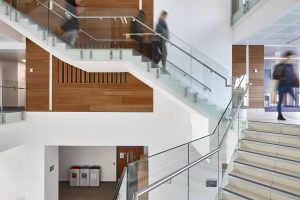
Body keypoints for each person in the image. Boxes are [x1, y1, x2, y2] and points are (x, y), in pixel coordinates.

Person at [273, 51, 298, 120]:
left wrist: (296, 82)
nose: (291, 59)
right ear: (286, 57)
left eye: (292, 58)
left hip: (289, 86)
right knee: (280, 101)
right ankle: (279, 115)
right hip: (281, 86)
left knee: (295, 97)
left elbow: (292, 75)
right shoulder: (280, 65)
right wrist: (284, 79)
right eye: (290, 57)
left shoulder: (291, 66)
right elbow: (275, 76)